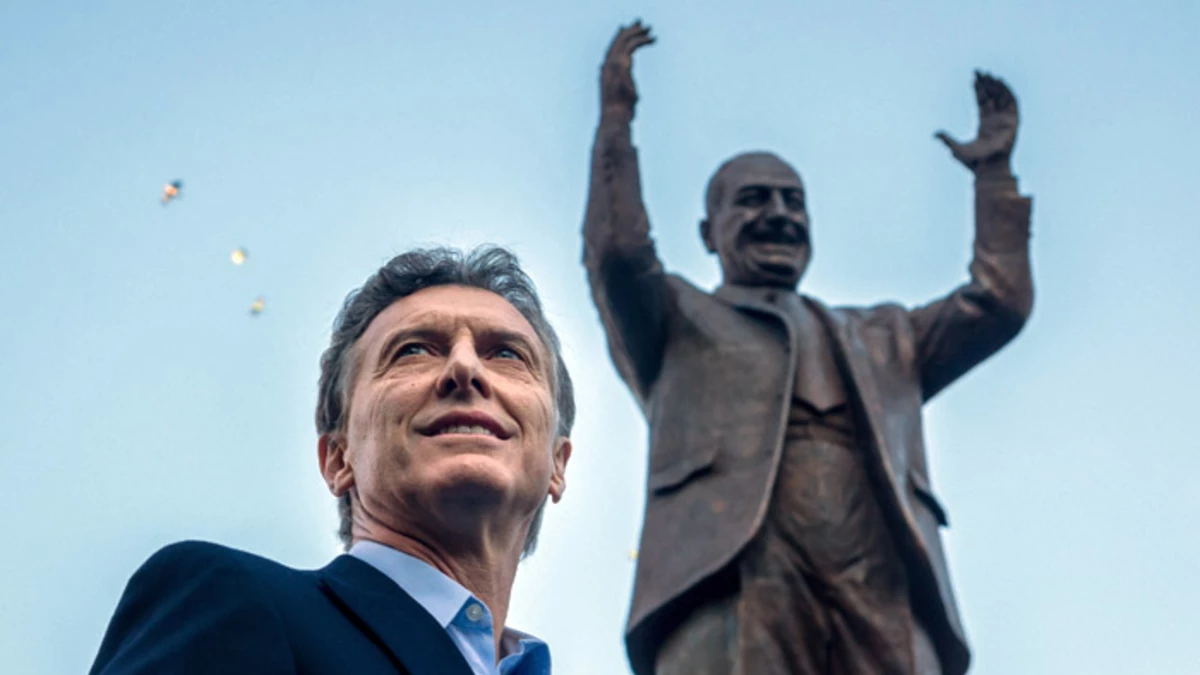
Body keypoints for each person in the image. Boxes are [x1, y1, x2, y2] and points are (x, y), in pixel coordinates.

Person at [583, 22, 1033, 675]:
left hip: (879, 579)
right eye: (753, 200)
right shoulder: (676, 318)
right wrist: (616, 119)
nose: (780, 214)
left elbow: (998, 302)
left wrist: (993, 174)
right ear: (708, 232)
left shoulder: (885, 336)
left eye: (794, 202)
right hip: (734, 572)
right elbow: (619, 253)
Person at [90, 246, 575, 675]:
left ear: (558, 463)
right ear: (338, 458)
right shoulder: (231, 599)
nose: (465, 368)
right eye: (412, 350)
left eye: (507, 354)